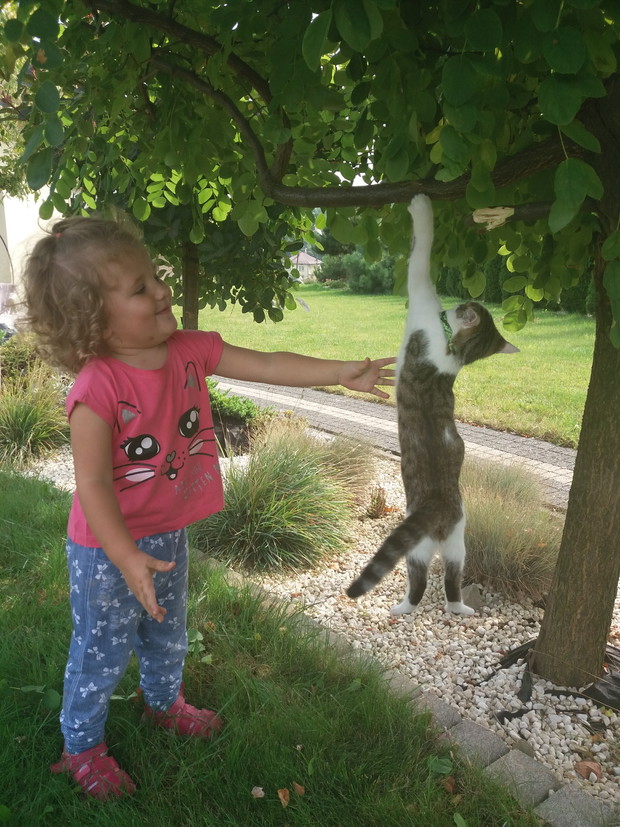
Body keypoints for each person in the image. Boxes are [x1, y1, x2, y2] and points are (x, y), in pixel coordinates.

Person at [22, 215, 395, 801]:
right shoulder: (97, 388)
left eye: (156, 277)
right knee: (102, 647)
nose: (162, 290)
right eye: (140, 288)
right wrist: (125, 557)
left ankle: (163, 704)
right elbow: (92, 484)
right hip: (107, 551)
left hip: (166, 533)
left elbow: (269, 365)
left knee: (168, 632)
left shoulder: (188, 351)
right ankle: (81, 748)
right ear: (93, 318)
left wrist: (339, 374)